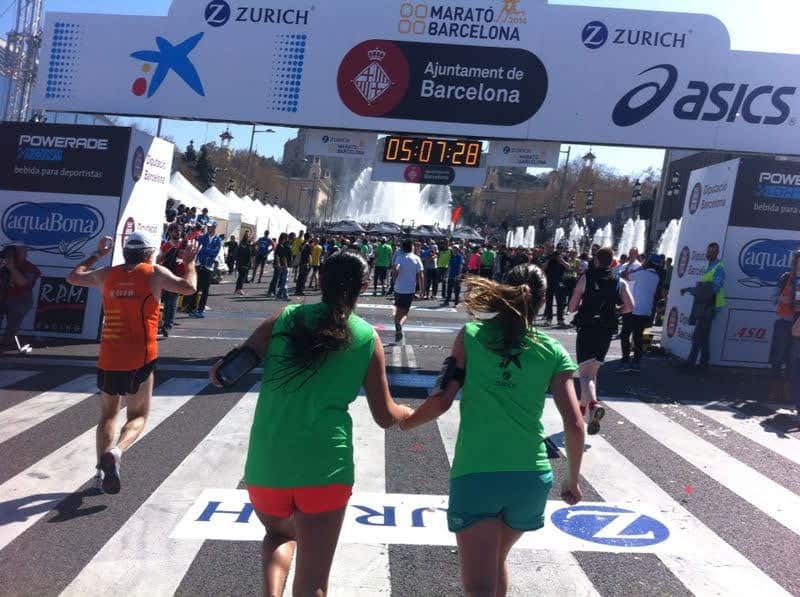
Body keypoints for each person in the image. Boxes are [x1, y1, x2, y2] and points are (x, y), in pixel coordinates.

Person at [210, 252, 412, 596]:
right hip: (324, 469)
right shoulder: (365, 336)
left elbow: (224, 374)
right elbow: (384, 415)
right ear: (364, 287)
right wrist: (407, 413)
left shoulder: (285, 318)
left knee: (279, 534)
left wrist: (221, 368)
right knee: (313, 583)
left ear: (320, 279)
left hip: (267, 464)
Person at [399, 264, 585, 597]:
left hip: (478, 474)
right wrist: (572, 480)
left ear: (500, 293)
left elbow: (442, 399)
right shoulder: (553, 351)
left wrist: (405, 421)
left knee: (478, 586)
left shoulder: (471, 336)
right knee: (496, 558)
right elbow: (574, 423)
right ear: (542, 302)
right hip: (531, 479)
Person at [67, 233, 198, 493]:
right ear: (150, 254)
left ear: (125, 253)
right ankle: (116, 452)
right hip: (141, 356)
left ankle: (100, 471)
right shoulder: (155, 273)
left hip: (109, 355)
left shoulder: (107, 273)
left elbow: (73, 277)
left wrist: (97, 254)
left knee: (107, 414)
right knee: (138, 416)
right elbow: (189, 287)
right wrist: (190, 263)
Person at [569, 247, 634, 435]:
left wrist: (579, 305)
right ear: (612, 262)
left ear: (596, 261)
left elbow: (573, 307)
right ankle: (585, 415)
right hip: (606, 329)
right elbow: (630, 306)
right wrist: (615, 312)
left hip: (588, 327)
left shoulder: (586, 278)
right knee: (593, 372)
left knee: (584, 375)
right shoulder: (619, 281)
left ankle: (593, 405)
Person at [681, 242, 726, 370]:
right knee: (703, 336)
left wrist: (694, 291)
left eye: (711, 252)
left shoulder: (719, 267)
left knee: (699, 335)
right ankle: (702, 363)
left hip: (709, 306)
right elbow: (706, 287)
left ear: (717, 253)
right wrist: (692, 290)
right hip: (705, 305)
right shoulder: (711, 266)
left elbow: (713, 289)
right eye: (708, 251)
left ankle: (692, 363)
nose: (708, 254)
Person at [620, 254, 663, 372]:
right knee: (639, 336)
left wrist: (639, 268)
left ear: (648, 262)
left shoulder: (641, 273)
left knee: (625, 334)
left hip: (633, 309)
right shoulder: (657, 277)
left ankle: (625, 359)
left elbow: (624, 275)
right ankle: (637, 361)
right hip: (647, 310)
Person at [769, 251, 799, 402]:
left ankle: (787, 391)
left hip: (798, 326)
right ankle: (775, 389)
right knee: (777, 357)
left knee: (792, 359)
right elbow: (772, 298)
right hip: (783, 323)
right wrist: (783, 298)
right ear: (794, 262)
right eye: (798, 261)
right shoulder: (785, 277)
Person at [0, 244, 40, 347]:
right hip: (3, 297)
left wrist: (11, 268)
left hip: (20, 300)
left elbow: (24, 284)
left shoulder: (30, 268)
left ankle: (6, 346)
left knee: (12, 327)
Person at [392, 239, 424, 342]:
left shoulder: (399, 257)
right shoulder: (416, 258)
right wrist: (422, 290)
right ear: (412, 247)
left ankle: (397, 326)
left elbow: (395, 269)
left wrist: (394, 280)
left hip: (398, 288)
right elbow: (421, 275)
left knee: (398, 311)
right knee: (405, 312)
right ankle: (400, 325)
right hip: (409, 289)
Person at [187, 222, 221, 318]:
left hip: (208, 267)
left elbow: (215, 252)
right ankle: (192, 309)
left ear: (214, 227)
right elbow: (198, 249)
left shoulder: (217, 240)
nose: (208, 228)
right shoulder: (202, 237)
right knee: (195, 288)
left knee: (205, 290)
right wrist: (206, 251)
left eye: (210, 227)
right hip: (199, 265)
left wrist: (206, 250)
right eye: (208, 227)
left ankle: (200, 310)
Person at [157, 224, 186, 337]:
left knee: (173, 301)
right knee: (167, 301)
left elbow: (188, 259)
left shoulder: (184, 244)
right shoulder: (166, 245)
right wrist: (167, 253)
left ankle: (168, 326)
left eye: (179, 230)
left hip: (178, 276)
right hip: (166, 275)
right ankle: (165, 323)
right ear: (170, 232)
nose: (178, 232)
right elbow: (158, 259)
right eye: (175, 231)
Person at [543, 245, 569, 328]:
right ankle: (548, 319)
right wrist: (550, 259)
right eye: (558, 248)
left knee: (560, 302)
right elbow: (543, 268)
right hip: (549, 281)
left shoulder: (564, 257)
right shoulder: (550, 257)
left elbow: (568, 267)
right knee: (549, 301)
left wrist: (561, 260)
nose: (559, 250)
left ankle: (560, 319)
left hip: (560, 281)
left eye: (561, 248)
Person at [273, 233, 292, 301]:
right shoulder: (281, 246)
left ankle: (280, 295)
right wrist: (285, 265)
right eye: (286, 238)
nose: (287, 239)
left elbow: (277, 255)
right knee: (284, 281)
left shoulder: (280, 245)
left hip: (282, 265)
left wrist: (278, 264)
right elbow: (283, 256)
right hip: (284, 265)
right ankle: (284, 295)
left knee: (283, 280)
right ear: (284, 238)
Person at [235, 230, 255, 296]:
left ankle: (238, 289)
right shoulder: (246, 244)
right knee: (242, 276)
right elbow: (250, 253)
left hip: (243, 262)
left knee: (241, 276)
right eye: (249, 236)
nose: (250, 237)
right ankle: (239, 289)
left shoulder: (244, 243)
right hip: (244, 262)